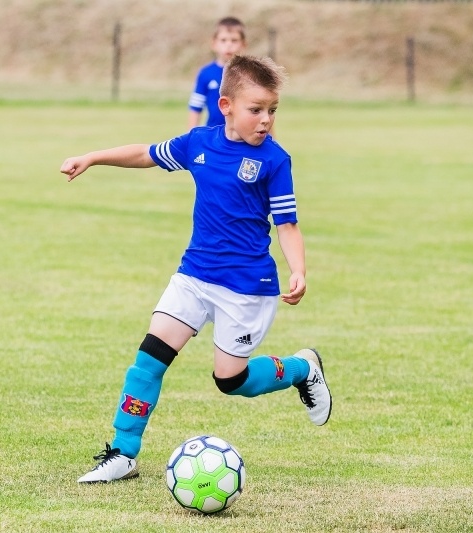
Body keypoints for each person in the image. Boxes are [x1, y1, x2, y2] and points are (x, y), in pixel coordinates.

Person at [60, 55, 332, 483]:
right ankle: (123, 453)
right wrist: (92, 157)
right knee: (148, 361)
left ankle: (302, 369)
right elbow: (145, 154)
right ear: (225, 105)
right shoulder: (198, 142)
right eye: (255, 109)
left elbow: (287, 224)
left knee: (231, 380)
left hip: (246, 287)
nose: (265, 120)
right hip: (194, 276)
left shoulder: (276, 161)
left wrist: (298, 269)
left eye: (272, 110)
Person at [187, 16, 247, 130]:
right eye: (223, 40)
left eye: (234, 40)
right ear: (214, 44)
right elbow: (195, 107)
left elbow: (262, 108)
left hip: (242, 136)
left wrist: (272, 140)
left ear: (243, 44)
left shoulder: (249, 73)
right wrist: (190, 138)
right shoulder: (206, 73)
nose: (228, 45)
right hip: (214, 137)